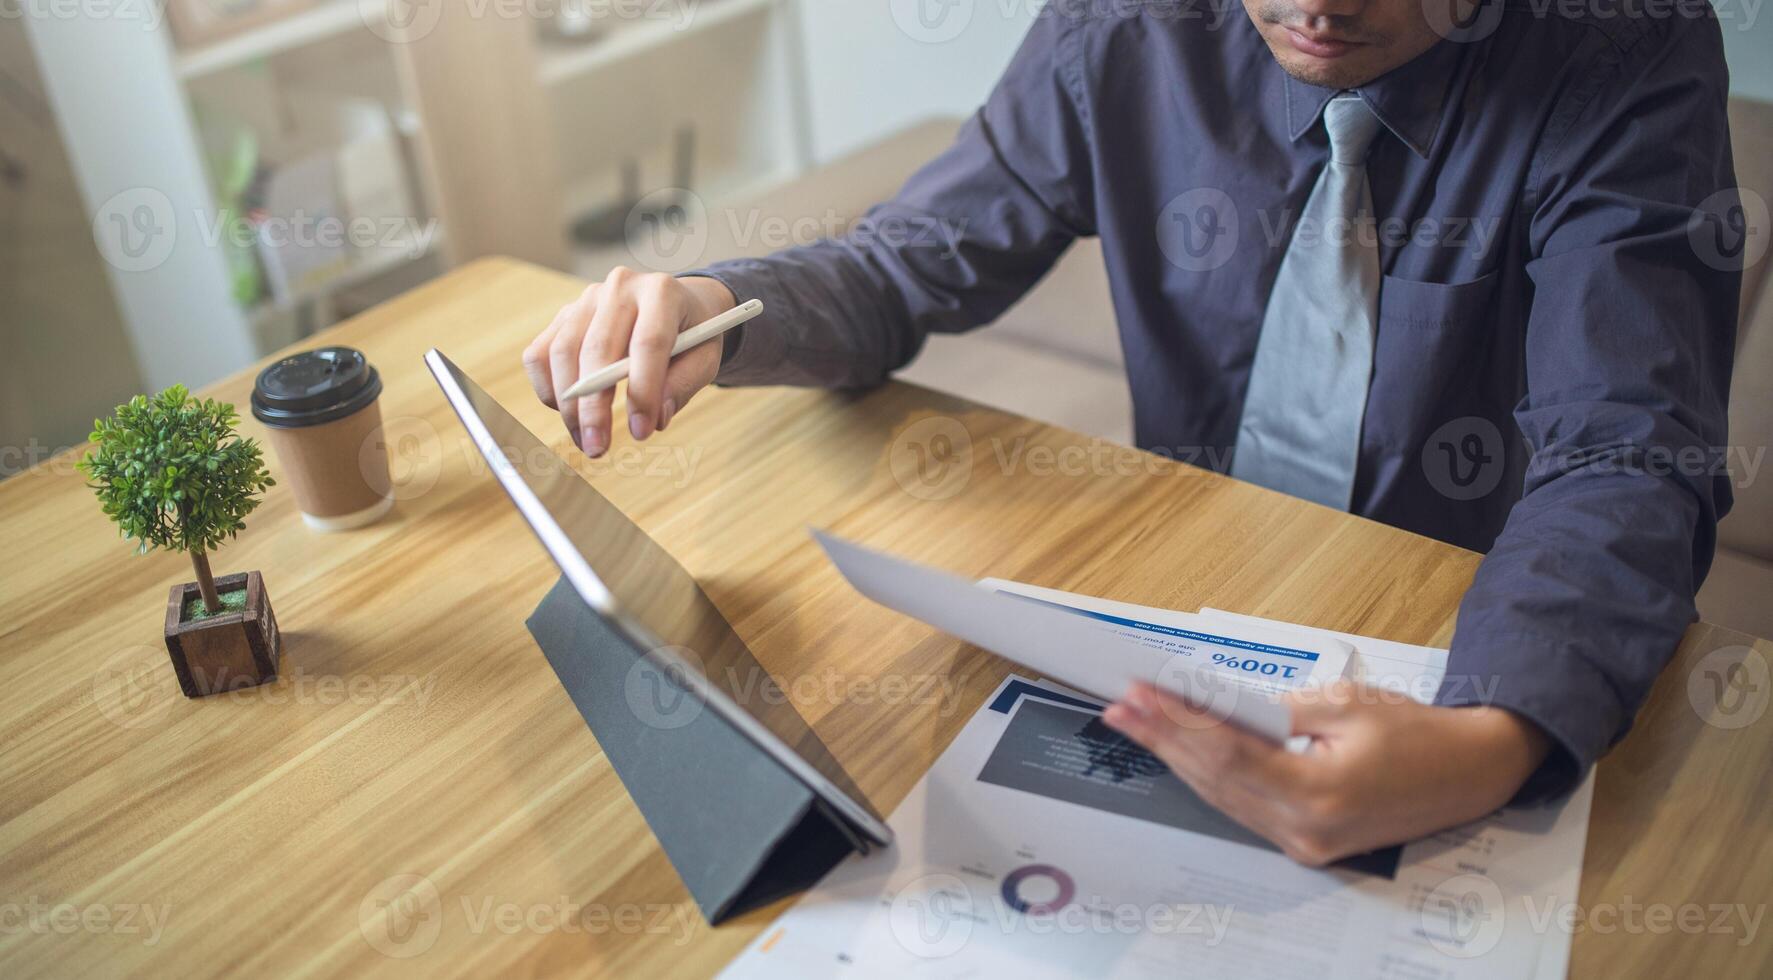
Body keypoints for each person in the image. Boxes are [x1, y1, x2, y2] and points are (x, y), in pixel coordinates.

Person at [523, 0, 1741, 865]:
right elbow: (908, 264)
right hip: (1186, 607)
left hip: (1466, 626)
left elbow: (1628, 446)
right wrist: (714, 313)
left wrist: (1492, 740)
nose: (1316, 6)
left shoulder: (1623, 46)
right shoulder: (1127, 22)